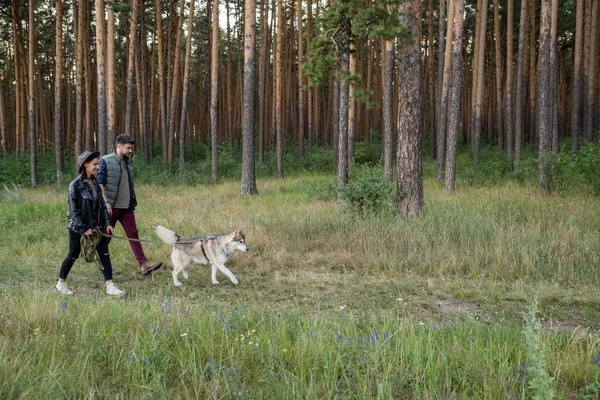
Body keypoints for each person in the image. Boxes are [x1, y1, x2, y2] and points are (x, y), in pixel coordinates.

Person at [56, 151, 126, 296]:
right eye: (95, 164)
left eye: (98, 163)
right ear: (85, 165)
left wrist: (107, 223)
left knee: (104, 253)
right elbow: (73, 212)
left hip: (97, 227)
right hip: (78, 228)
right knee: (73, 254)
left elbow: (102, 204)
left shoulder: (95, 183)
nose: (98, 167)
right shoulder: (74, 186)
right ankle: (61, 283)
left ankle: (110, 286)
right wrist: (84, 228)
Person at [97, 134, 163, 275]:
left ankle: (144, 265)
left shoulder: (128, 163)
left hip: (126, 207)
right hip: (111, 207)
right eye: (128, 148)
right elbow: (99, 183)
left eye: (131, 148)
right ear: (119, 146)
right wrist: (106, 202)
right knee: (106, 237)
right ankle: (102, 263)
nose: (130, 151)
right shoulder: (105, 161)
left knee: (133, 234)